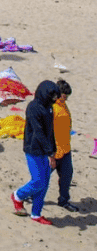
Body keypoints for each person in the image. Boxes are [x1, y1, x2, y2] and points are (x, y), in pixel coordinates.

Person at [11, 80, 59, 225]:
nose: (55, 99)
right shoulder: (33, 107)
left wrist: (53, 149)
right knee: (38, 181)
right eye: (52, 96)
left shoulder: (49, 107)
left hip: (46, 149)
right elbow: (38, 132)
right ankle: (18, 196)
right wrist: (50, 153)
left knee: (44, 184)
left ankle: (36, 213)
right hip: (33, 149)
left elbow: (50, 130)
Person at [53, 79, 78, 212]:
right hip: (53, 151)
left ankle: (64, 201)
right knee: (40, 178)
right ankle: (25, 195)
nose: (66, 98)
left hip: (66, 149)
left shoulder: (63, 105)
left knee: (67, 176)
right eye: (64, 96)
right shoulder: (51, 106)